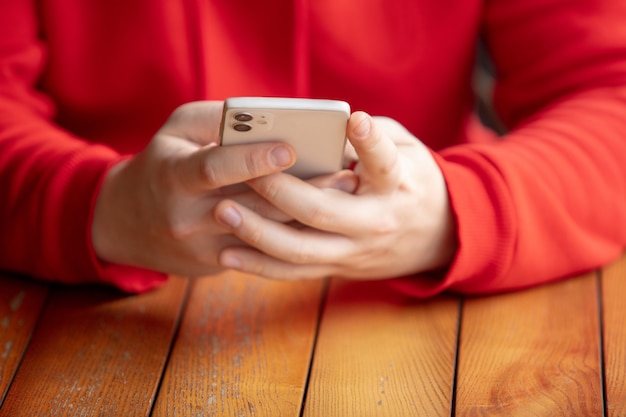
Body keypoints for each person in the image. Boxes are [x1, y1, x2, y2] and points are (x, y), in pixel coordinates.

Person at [1, 1, 625, 297]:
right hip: (78, 293)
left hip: (429, 292)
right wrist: (102, 207)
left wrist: (456, 212)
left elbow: (610, 96)